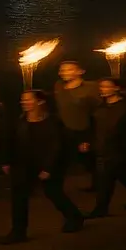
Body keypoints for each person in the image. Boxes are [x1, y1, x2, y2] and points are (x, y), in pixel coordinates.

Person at [0, 90, 83, 245]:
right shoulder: (21, 121)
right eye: (22, 100)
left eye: (28, 100)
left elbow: (56, 147)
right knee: (19, 197)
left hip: (45, 164)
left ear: (41, 101)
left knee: (53, 192)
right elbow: (10, 141)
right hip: (23, 164)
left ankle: (74, 217)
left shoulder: (52, 122)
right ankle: (18, 231)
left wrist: (48, 168)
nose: (24, 103)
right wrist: (6, 161)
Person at [85, 77, 126, 217]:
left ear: (116, 88)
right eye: (101, 87)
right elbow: (94, 127)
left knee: (106, 177)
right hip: (102, 147)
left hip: (120, 147)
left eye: (107, 86)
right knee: (118, 173)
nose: (103, 90)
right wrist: (88, 141)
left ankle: (101, 208)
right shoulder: (99, 107)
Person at [53, 61, 99, 190]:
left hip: (83, 130)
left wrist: (88, 138)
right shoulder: (58, 86)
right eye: (62, 70)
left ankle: (100, 186)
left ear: (80, 71)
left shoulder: (91, 87)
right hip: (63, 130)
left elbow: (96, 113)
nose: (64, 73)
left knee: (89, 162)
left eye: (69, 70)